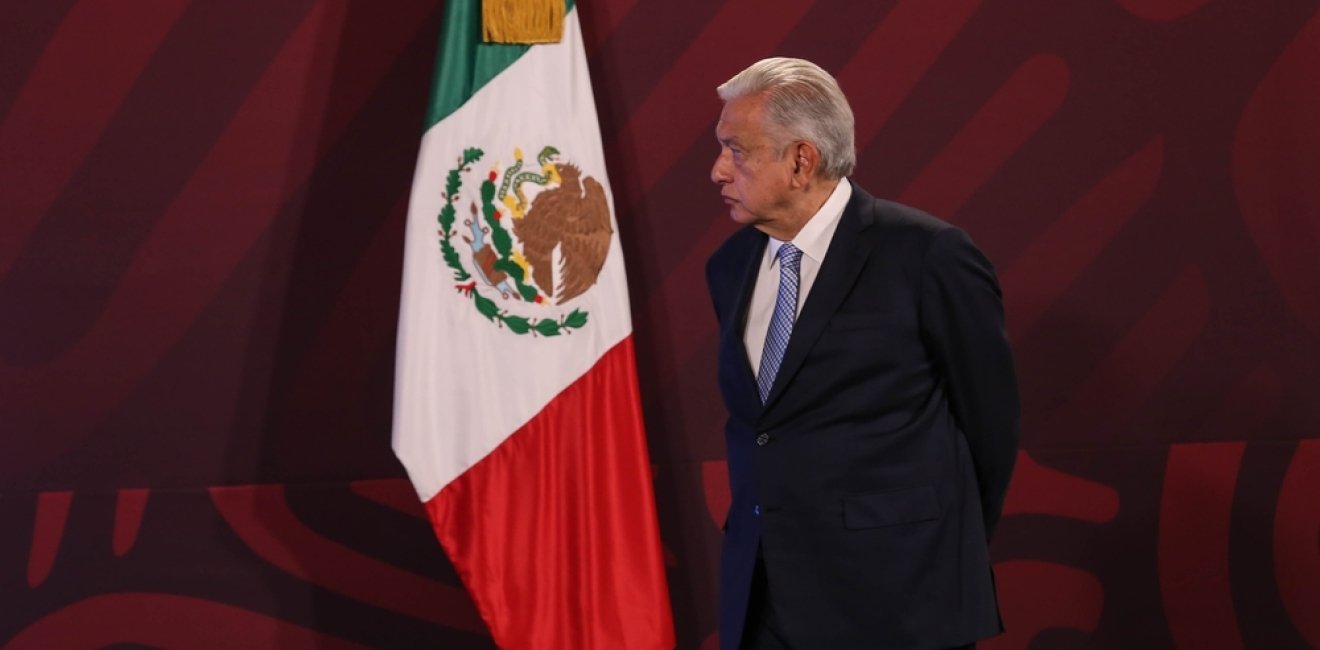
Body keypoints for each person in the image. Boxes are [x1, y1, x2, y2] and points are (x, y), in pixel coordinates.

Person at [705, 57, 1020, 650]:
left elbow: (990, 427)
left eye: (736, 150)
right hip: (763, 598)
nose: (718, 171)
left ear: (802, 159)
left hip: (899, 600)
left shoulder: (928, 256)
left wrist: (935, 551)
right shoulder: (728, 267)